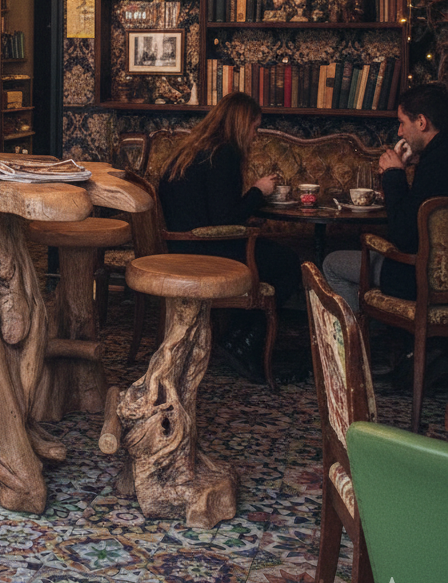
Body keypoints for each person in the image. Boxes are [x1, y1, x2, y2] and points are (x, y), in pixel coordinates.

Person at [158, 91, 302, 382]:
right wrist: (258, 192)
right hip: (204, 251)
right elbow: (226, 219)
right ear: (240, 124)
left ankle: (237, 335)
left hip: (179, 246)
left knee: (273, 257)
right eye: (255, 128)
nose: (256, 136)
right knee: (290, 263)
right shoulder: (224, 154)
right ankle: (244, 340)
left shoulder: (193, 148)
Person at [323, 82, 448, 312]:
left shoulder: (433, 166)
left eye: (402, 123)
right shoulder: (436, 157)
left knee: (332, 264)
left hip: (416, 276)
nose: (399, 132)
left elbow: (403, 235)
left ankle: (354, 344)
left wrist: (394, 174)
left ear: (421, 122)